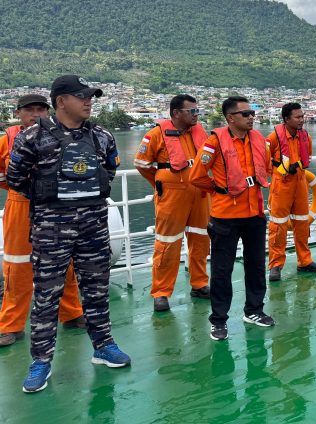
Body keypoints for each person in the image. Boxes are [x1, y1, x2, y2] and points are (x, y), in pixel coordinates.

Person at [7, 75, 130, 393]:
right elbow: (16, 179)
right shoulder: (32, 137)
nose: (89, 101)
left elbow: (110, 170)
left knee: (97, 290)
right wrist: (51, 200)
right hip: (51, 230)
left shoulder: (102, 135)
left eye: (90, 96)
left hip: (93, 227)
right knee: (47, 296)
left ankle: (103, 346)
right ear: (61, 101)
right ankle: (41, 361)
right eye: (81, 96)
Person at [0, 94, 85, 347]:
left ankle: (71, 313)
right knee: (17, 264)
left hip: (55, 205)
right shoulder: (6, 141)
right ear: (18, 113)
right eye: (29, 110)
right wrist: (21, 190)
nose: (36, 114)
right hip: (20, 205)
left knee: (64, 260)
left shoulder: (61, 137)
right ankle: (10, 324)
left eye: (41, 109)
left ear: (49, 112)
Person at [189, 96, 275, 341]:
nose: (251, 117)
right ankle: (219, 320)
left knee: (256, 265)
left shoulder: (259, 140)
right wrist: (219, 189)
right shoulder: (214, 142)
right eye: (245, 114)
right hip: (225, 216)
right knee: (222, 270)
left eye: (252, 113)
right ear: (230, 118)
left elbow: (267, 167)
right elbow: (197, 176)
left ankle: (254, 310)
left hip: (254, 213)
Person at [133, 94, 210, 311]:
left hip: (200, 195)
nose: (196, 115)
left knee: (201, 240)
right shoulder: (155, 135)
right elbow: (141, 164)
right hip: (171, 197)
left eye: (197, 111)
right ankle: (161, 292)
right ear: (176, 113)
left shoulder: (200, 132)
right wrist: (162, 183)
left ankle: (199, 284)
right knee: (167, 244)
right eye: (191, 111)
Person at [266, 103, 316, 281]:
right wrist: (281, 170)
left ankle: (304, 261)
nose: (301, 120)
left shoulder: (306, 137)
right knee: (278, 225)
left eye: (302, 116)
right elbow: (264, 163)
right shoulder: (273, 138)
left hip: (300, 183)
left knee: (302, 223)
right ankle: (275, 265)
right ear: (286, 119)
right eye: (297, 117)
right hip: (281, 185)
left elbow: (307, 158)